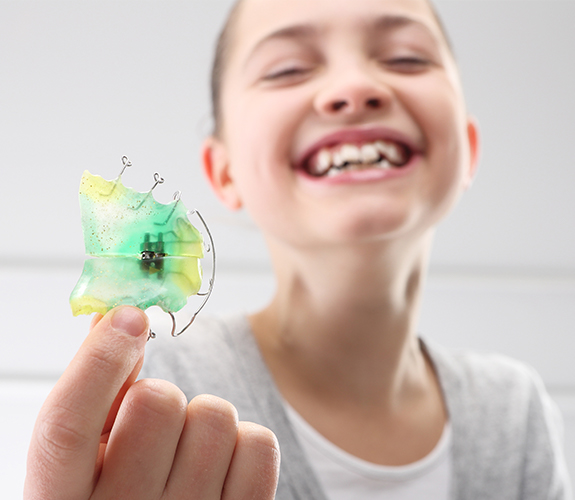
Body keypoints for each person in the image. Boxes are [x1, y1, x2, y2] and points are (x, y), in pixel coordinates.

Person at [25, 0, 572, 498]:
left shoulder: (514, 411)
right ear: (225, 172)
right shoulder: (156, 382)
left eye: (406, 59)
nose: (354, 87)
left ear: (469, 150)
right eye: (287, 68)